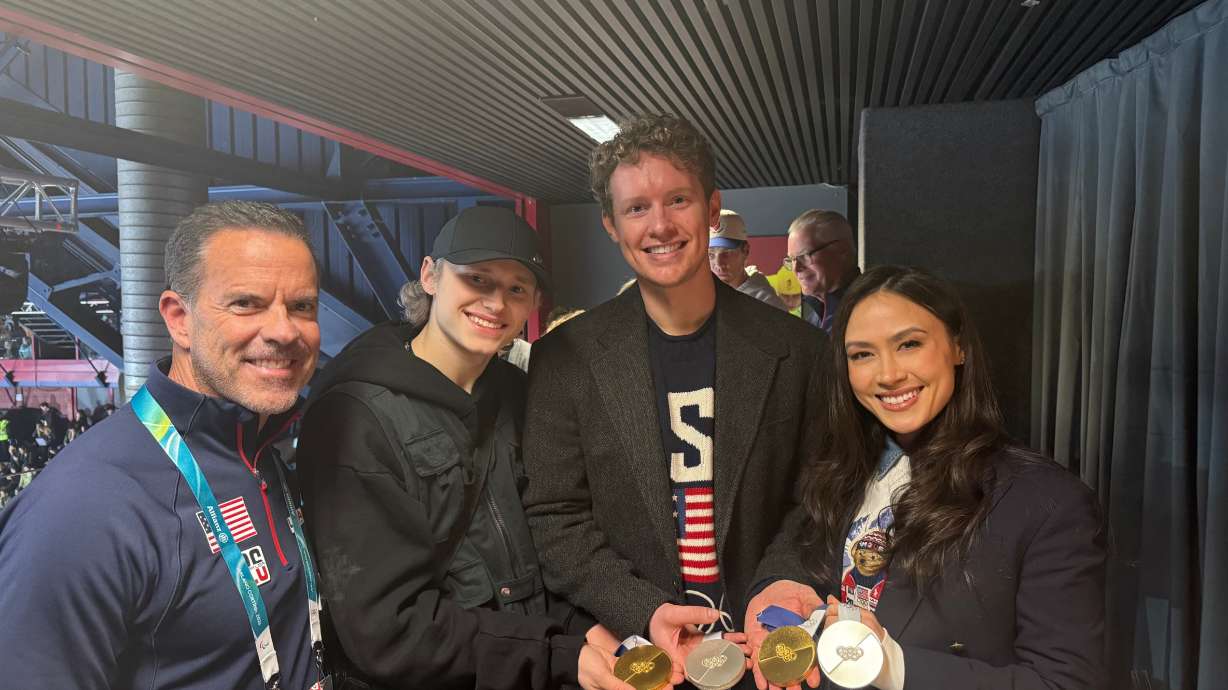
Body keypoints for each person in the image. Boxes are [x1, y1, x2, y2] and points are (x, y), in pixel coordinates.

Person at [522, 114, 829, 688]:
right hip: (640, 655)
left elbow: (816, 496)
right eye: (637, 208)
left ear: (712, 209)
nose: (660, 225)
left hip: (767, 652)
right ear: (612, 225)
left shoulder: (799, 350)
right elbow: (554, 515)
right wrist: (640, 608)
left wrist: (776, 586)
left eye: (678, 200)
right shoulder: (564, 358)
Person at [296, 205, 631, 690]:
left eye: (516, 289)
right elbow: (388, 632)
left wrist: (584, 630)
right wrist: (555, 652)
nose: (496, 303)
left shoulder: (517, 395)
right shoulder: (355, 418)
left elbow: (540, 547)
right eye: (477, 279)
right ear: (430, 276)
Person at [0, 201, 328, 689]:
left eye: (302, 306)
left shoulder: (259, 448)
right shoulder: (83, 508)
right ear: (179, 319)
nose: (284, 331)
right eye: (246, 303)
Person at [799, 265, 1106, 689]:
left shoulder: (1046, 503)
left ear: (958, 347)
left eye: (909, 344)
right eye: (862, 354)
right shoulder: (837, 472)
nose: (888, 374)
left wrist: (894, 667)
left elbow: (1065, 682)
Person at [785, 209, 860, 333]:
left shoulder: (872, 311)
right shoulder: (813, 319)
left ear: (842, 250)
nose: (796, 268)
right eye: (792, 259)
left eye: (805, 256)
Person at [708, 209, 788, 311]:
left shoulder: (766, 304)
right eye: (711, 255)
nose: (718, 264)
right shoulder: (706, 294)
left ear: (745, 251)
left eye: (727, 253)